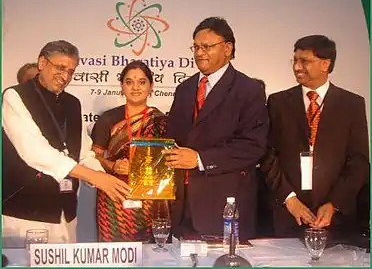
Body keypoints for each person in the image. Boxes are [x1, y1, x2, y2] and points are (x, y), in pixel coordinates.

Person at [2, 40, 130, 246]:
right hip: (24, 214)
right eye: (60, 68)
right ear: (42, 62)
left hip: (66, 213)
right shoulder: (15, 96)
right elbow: (35, 151)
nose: (65, 77)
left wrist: (107, 181)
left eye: (71, 71)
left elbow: (83, 152)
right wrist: (95, 177)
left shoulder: (73, 103)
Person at [164, 17, 268, 240]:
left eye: (207, 46)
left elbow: (252, 147)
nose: (199, 53)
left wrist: (200, 159)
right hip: (183, 208)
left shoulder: (249, 90)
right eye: (196, 47)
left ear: (228, 48)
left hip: (224, 208)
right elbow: (173, 139)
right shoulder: (185, 88)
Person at [261, 35, 369, 238]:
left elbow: (359, 161)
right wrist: (289, 198)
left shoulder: (351, 104)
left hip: (335, 218)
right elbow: (267, 155)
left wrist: (334, 203)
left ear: (325, 64)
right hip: (287, 214)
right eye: (295, 60)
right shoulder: (278, 102)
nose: (297, 67)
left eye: (305, 61)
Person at [91, 60, 167, 242]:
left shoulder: (161, 121)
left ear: (151, 86)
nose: (135, 87)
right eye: (129, 82)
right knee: (114, 254)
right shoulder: (108, 118)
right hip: (113, 195)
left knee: (149, 252)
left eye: (142, 82)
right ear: (121, 86)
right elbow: (94, 157)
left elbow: (165, 163)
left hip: (149, 197)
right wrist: (113, 165)